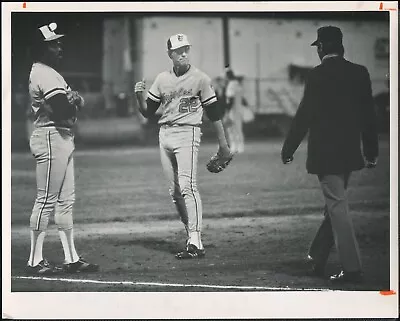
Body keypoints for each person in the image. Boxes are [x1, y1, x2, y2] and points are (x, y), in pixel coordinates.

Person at [281, 26, 378, 283]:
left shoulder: (317, 75)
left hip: (325, 153)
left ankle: (352, 268)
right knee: (334, 205)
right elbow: (369, 115)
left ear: (321, 47)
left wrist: (289, 148)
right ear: (342, 46)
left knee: (337, 206)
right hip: (349, 152)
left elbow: (304, 115)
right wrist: (371, 151)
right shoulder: (360, 73)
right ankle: (317, 256)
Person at [134, 34, 232, 259]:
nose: (184, 53)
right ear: (170, 54)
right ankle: (191, 235)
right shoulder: (161, 79)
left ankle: (196, 241)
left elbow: (214, 113)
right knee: (175, 192)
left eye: (186, 49)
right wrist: (138, 97)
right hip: (165, 135)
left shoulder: (200, 78)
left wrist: (223, 144)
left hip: (188, 133)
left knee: (188, 186)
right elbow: (148, 112)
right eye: (178, 50)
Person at [26, 22, 99, 275]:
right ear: (43, 48)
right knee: (46, 200)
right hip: (50, 136)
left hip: (62, 137)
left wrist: (74, 100)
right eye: (54, 44)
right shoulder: (44, 73)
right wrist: (74, 100)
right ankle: (35, 260)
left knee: (65, 202)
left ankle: (71, 258)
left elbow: (72, 104)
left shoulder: (51, 72)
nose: (60, 47)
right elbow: (63, 109)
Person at [224, 68, 246, 154]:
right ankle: (240, 146)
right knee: (238, 128)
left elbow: (230, 99)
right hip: (239, 109)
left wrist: (227, 111)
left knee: (231, 129)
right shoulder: (238, 84)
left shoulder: (231, 85)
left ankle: (234, 146)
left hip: (232, 110)